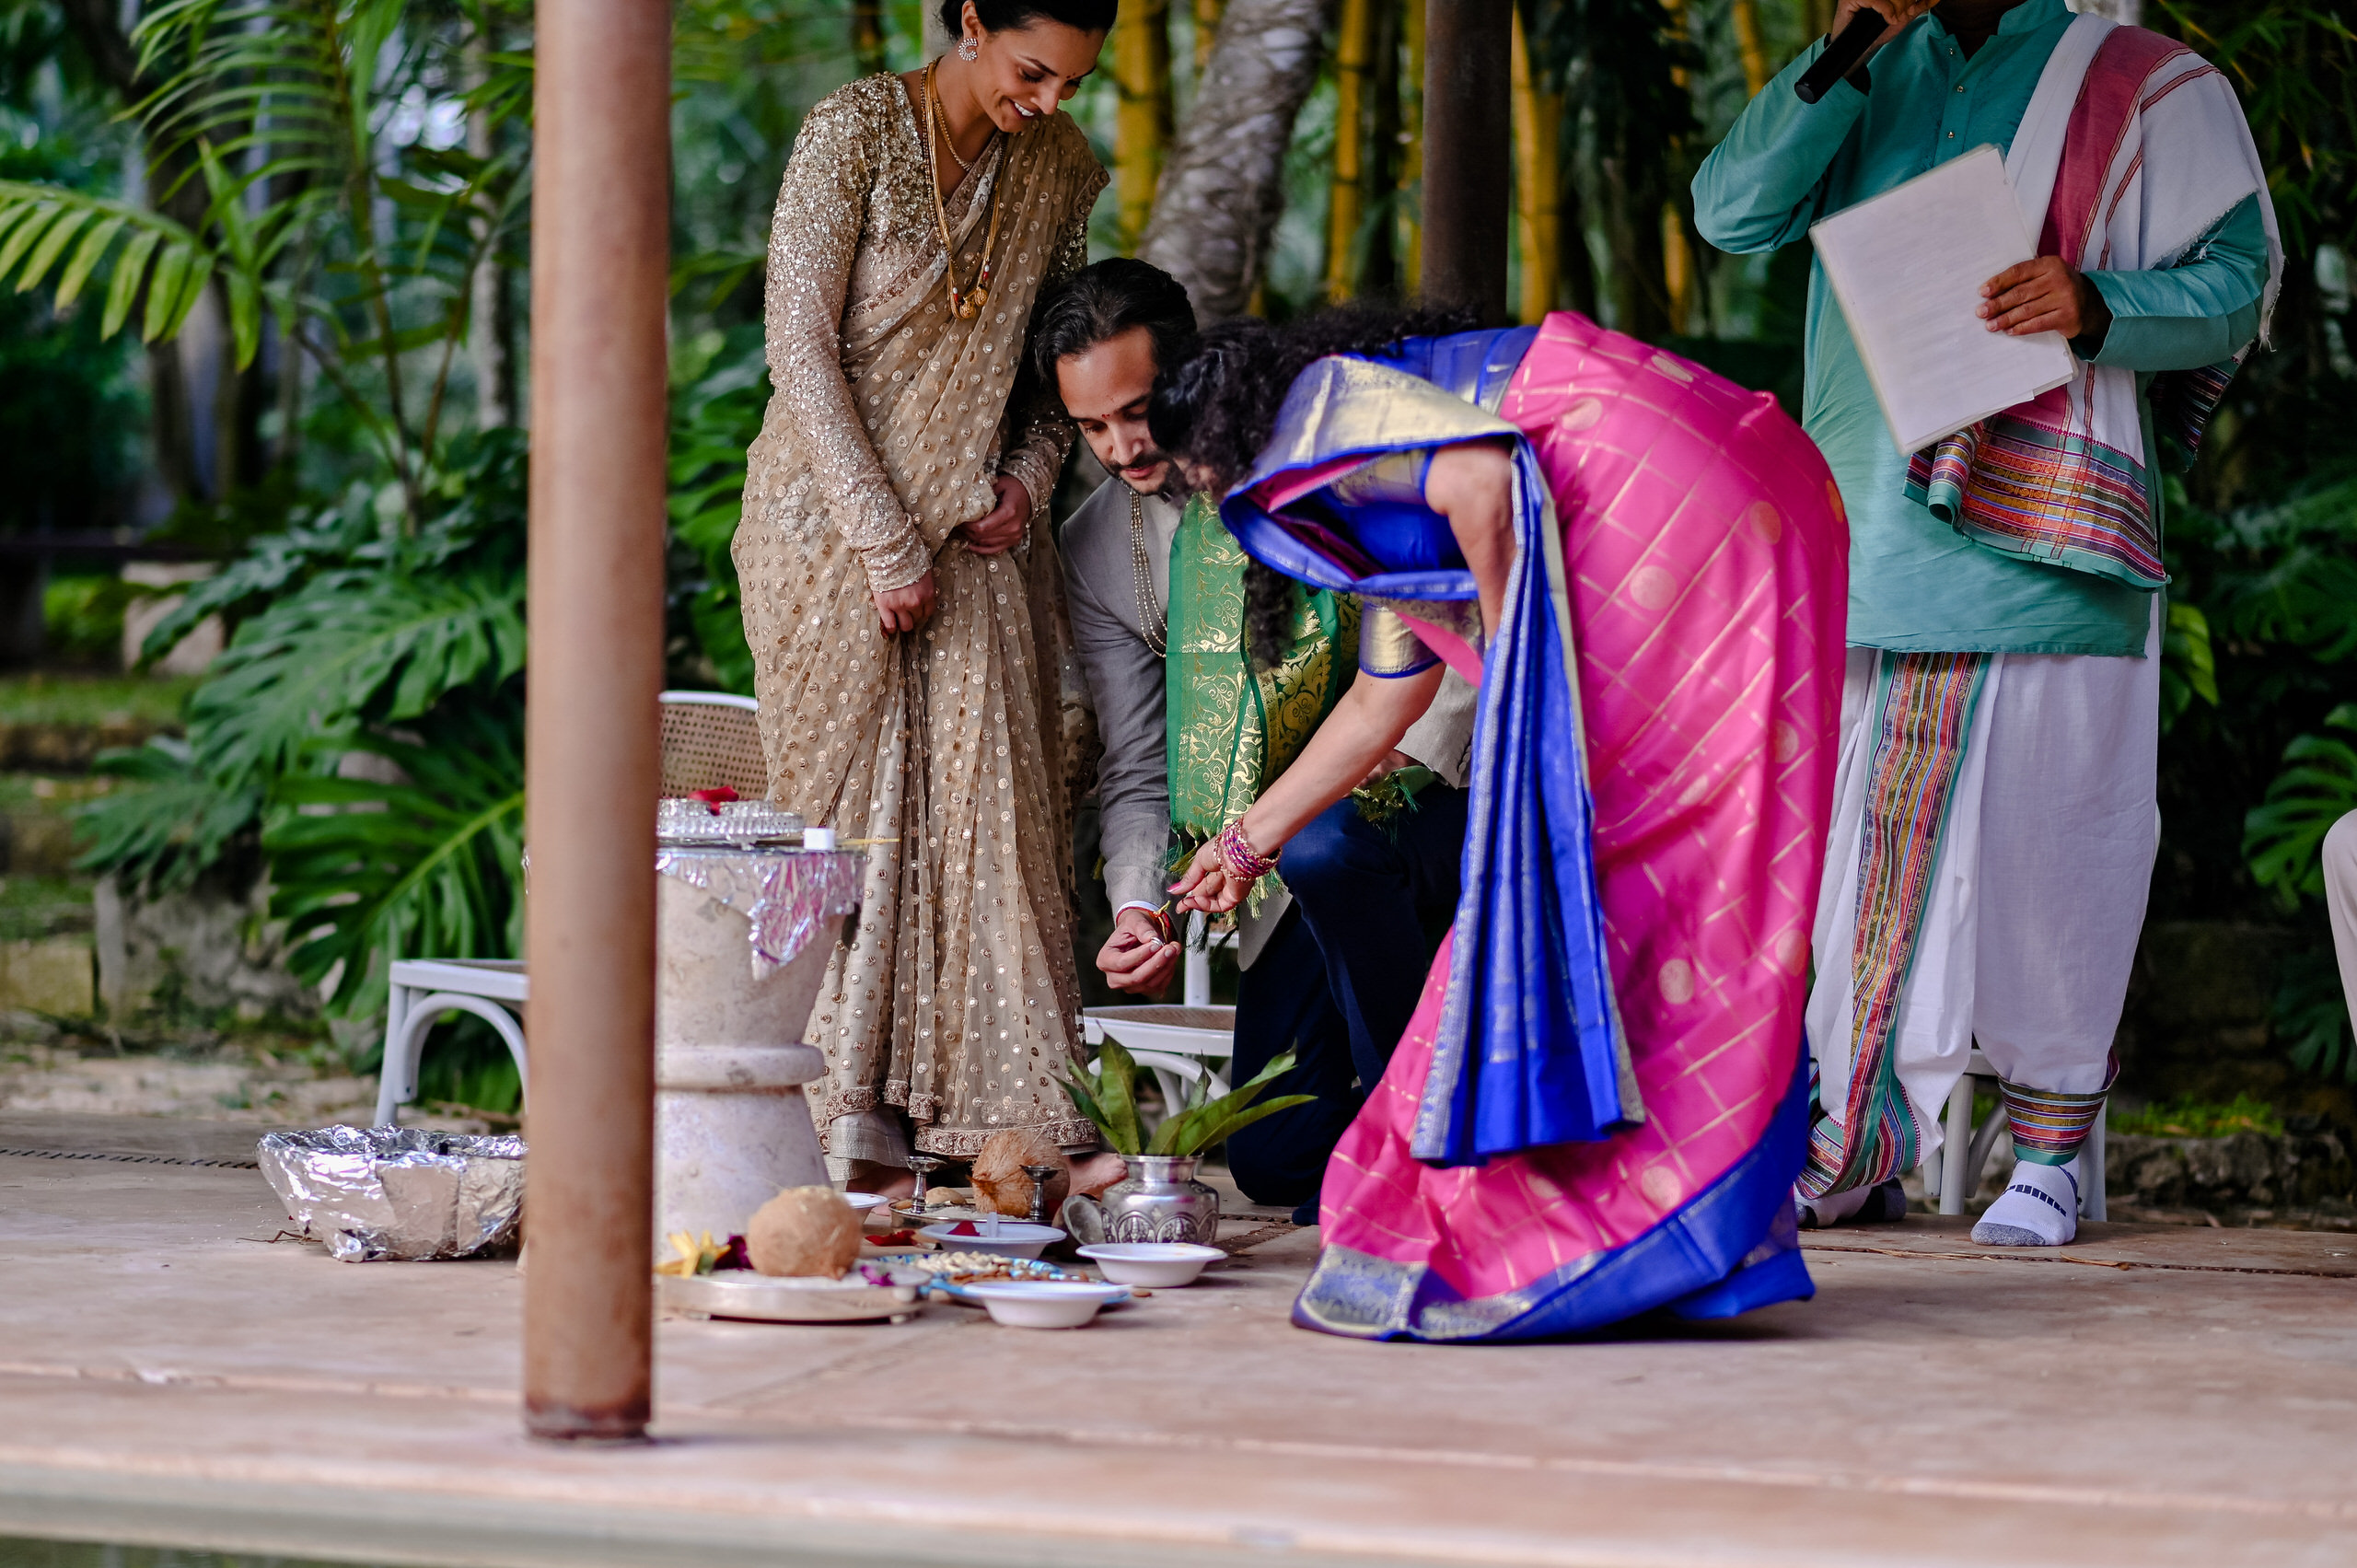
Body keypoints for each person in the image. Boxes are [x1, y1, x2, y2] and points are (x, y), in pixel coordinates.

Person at [1693, 0, 2280, 1245]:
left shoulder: (2134, 78)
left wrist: (2095, 299)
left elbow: (2239, 286)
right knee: (1857, 861)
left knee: (2054, 839)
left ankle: (2051, 1150)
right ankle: (1851, 1142)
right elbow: (1731, 213)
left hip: (2055, 533)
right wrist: (1850, 44)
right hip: (1869, 531)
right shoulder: (1860, 69)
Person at [1149, 306, 1850, 1342]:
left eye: (1196, 478)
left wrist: (1524, 657)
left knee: (1645, 871)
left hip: (1679, 522)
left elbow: (1482, 482)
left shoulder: (1318, 420)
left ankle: (1584, 1233)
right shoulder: (1389, 433)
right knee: (1693, 882)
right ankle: (1687, 1236)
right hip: (1746, 499)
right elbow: (1381, 701)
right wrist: (1243, 843)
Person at [734, 0, 1121, 1193]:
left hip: (979, 535)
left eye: (1070, 82)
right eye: (1031, 70)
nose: (1048, 101)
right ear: (968, 22)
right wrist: (881, 538)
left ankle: (1024, 1132)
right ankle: (831, 1125)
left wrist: (1030, 473)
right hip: (826, 533)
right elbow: (797, 346)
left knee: (992, 812)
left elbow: (1055, 366)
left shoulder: (1058, 166)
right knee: (840, 820)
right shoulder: (850, 133)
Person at [1033, 259, 1478, 1219]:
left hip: (1433, 805)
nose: (1122, 447)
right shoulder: (1100, 550)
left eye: (1137, 410)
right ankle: (1400, 1130)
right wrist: (1135, 904)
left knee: (1330, 841)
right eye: (1091, 427)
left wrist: (1394, 754)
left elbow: (1446, 637)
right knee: (1274, 1163)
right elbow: (1139, 763)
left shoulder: (1316, 448)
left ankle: (1431, 1142)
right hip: (1277, 870)